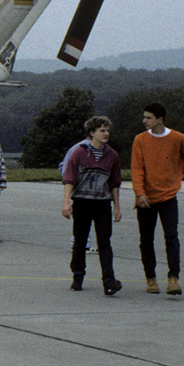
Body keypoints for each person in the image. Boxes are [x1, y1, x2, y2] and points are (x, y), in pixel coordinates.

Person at [131, 102, 184, 295]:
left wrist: (177, 173)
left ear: (160, 120)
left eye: (148, 118)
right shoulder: (140, 140)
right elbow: (136, 169)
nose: (144, 121)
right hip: (146, 198)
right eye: (144, 117)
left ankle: (173, 278)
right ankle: (150, 279)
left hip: (168, 196)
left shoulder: (178, 138)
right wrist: (140, 193)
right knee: (146, 240)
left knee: (171, 237)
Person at [61, 116, 123, 295]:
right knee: (80, 241)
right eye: (102, 130)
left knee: (105, 242)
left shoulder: (112, 155)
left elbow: (115, 182)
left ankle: (109, 281)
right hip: (82, 202)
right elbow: (69, 178)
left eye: (107, 130)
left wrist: (116, 207)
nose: (106, 134)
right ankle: (78, 276)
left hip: (102, 203)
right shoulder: (79, 153)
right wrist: (66, 203)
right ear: (92, 133)